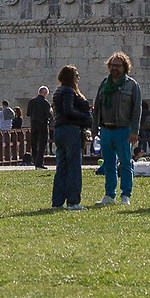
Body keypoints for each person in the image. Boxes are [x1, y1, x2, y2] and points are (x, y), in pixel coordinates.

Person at [92, 52, 142, 207]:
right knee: (108, 164)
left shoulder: (132, 85)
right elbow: (97, 107)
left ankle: (125, 195)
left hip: (123, 129)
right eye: (112, 65)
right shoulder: (104, 84)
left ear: (125, 67)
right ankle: (109, 195)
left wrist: (134, 131)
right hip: (106, 129)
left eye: (118, 65)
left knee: (125, 164)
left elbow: (137, 109)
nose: (114, 68)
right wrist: (94, 128)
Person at [49, 65, 91, 210]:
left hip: (59, 130)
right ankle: (73, 202)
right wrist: (84, 116)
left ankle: (57, 202)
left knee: (61, 167)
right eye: (76, 75)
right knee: (74, 167)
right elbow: (68, 110)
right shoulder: (68, 91)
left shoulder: (58, 91)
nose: (78, 78)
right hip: (70, 130)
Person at [26, 85, 52, 169]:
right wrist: (51, 112)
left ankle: (35, 161)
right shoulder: (45, 102)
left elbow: (28, 113)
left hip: (33, 124)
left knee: (34, 143)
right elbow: (48, 115)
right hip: (43, 124)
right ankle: (39, 163)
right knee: (42, 144)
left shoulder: (31, 101)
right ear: (45, 93)